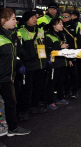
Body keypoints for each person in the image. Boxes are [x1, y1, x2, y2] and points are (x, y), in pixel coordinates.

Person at [0, 8, 32, 137]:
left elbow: (18, 53)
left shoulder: (12, 35)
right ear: (3, 21)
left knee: (11, 103)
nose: (16, 22)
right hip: (2, 77)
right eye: (13, 19)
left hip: (8, 77)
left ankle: (11, 127)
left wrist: (26, 62)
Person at [16, 10, 48, 121]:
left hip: (40, 64)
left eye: (35, 17)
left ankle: (35, 106)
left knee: (38, 87)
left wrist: (46, 59)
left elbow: (44, 46)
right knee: (26, 89)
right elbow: (18, 51)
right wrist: (21, 63)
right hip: (28, 65)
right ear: (26, 20)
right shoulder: (20, 32)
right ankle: (23, 111)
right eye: (32, 17)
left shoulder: (40, 31)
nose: (35, 19)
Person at [45, 18, 70, 110]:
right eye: (59, 24)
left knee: (61, 81)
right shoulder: (48, 36)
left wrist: (69, 59)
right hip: (54, 62)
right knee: (52, 83)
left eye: (62, 23)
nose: (61, 25)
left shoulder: (62, 35)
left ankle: (60, 98)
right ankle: (50, 101)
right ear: (53, 25)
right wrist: (60, 47)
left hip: (63, 61)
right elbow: (48, 50)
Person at [62, 11, 81, 99]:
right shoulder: (59, 26)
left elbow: (79, 41)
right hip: (63, 53)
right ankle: (66, 90)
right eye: (63, 16)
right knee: (65, 74)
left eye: (66, 16)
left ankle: (74, 90)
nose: (64, 18)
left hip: (73, 52)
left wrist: (78, 53)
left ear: (70, 17)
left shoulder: (75, 26)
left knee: (73, 73)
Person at [70, 10, 81, 89]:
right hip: (79, 47)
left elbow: (80, 37)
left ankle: (79, 83)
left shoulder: (77, 24)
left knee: (78, 67)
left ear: (75, 16)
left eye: (72, 15)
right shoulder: (78, 23)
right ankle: (80, 82)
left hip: (77, 48)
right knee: (78, 67)